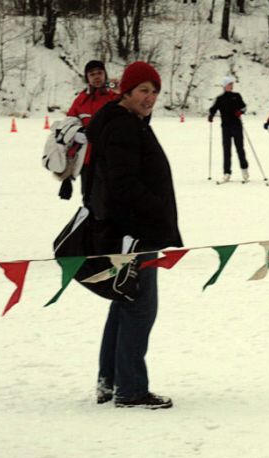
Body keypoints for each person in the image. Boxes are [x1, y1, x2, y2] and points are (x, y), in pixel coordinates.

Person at [84, 61, 183, 409]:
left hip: (127, 230)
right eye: (143, 90)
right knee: (140, 308)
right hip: (134, 233)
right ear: (125, 91)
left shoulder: (123, 122)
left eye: (155, 91)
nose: (150, 97)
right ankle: (130, 388)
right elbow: (123, 185)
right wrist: (155, 208)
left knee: (124, 304)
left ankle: (110, 381)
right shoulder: (124, 127)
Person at [66, 60, 118, 197]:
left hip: (113, 158)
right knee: (89, 199)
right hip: (88, 160)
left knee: (114, 198)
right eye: (92, 74)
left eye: (99, 73)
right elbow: (68, 123)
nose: (96, 77)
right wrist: (75, 133)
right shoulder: (81, 99)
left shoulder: (116, 96)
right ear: (87, 78)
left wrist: (120, 89)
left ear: (105, 74)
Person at [208, 76, 250, 183]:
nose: (231, 86)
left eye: (232, 84)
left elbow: (244, 107)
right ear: (224, 86)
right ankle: (227, 173)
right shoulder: (220, 98)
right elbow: (213, 108)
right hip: (226, 127)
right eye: (229, 84)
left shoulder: (237, 96)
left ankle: (244, 170)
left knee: (240, 148)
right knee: (226, 150)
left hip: (236, 126)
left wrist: (240, 112)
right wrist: (211, 115)